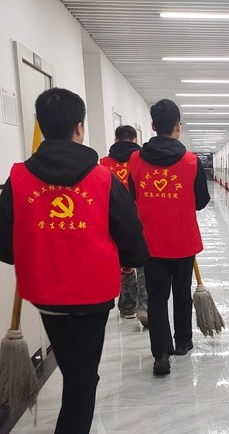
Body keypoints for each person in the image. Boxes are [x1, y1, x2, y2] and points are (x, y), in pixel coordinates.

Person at [0, 88, 148, 434]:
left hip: (45, 292)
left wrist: (31, 256)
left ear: (42, 127)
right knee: (82, 365)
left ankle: (73, 429)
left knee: (74, 361)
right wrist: (129, 261)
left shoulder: (20, 177)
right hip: (93, 290)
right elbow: (130, 233)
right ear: (80, 127)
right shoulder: (102, 178)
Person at [127, 99, 210, 375]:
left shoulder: (135, 160)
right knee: (182, 292)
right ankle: (183, 341)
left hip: (150, 242)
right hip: (183, 240)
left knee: (156, 298)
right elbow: (201, 201)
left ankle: (161, 353)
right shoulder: (191, 161)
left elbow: (132, 197)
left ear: (152, 126)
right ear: (178, 126)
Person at [100, 125, 148, 326]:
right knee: (143, 260)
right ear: (135, 139)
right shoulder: (142, 160)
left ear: (115, 139)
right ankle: (145, 306)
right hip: (140, 214)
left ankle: (127, 307)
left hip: (114, 217)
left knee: (123, 261)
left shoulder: (103, 163)